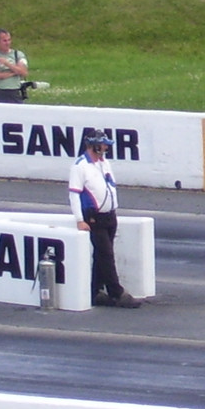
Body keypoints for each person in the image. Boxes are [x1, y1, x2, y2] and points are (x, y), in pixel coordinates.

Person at [68, 131, 142, 308]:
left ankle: (94, 290)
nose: (106, 148)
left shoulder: (104, 163)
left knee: (102, 255)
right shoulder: (80, 166)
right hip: (93, 216)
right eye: (103, 144)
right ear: (94, 145)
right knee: (106, 254)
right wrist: (80, 219)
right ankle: (116, 292)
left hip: (109, 215)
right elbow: (74, 195)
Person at [0, 28, 28, 103]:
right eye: (4, 41)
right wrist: (14, 73)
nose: (7, 43)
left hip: (14, 91)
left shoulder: (18, 55)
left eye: (9, 40)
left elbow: (23, 72)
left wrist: (7, 64)